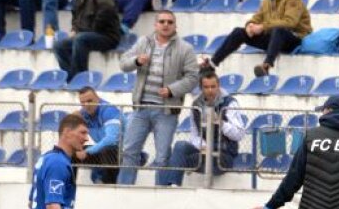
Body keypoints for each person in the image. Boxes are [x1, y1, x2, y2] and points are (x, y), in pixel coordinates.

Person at [116, 10, 200, 186]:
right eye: (162, 21)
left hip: (166, 111)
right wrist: (136, 61)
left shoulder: (185, 48)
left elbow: (193, 78)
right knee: (129, 151)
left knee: (162, 156)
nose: (166, 24)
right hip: (141, 109)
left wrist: (172, 90)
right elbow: (123, 62)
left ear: (175, 26)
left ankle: (160, 193)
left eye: (170, 22)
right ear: (155, 25)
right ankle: (123, 192)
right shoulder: (143, 42)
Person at [205, 0, 311, 77]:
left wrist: (262, 27)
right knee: (239, 32)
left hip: (296, 39)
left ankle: (266, 66)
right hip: (275, 40)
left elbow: (290, 23)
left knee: (279, 29)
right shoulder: (267, 1)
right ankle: (211, 65)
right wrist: (250, 26)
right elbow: (257, 18)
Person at [158, 69, 248, 187]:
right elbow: (195, 135)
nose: (210, 90)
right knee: (180, 146)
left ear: (218, 86)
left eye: (213, 87)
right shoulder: (196, 106)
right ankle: (172, 187)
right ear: (201, 88)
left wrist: (221, 123)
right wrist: (204, 146)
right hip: (204, 152)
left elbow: (239, 134)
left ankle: (170, 188)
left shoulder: (229, 103)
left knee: (176, 162)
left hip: (224, 155)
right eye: (206, 87)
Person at [53, 0, 120, 81]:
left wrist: (90, 29)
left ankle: (80, 79)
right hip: (87, 34)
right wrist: (74, 28)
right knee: (59, 45)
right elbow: (75, 14)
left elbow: (106, 10)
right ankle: (72, 79)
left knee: (80, 39)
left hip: (106, 36)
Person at [75, 86, 123, 185]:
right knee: (72, 152)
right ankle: (68, 188)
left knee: (108, 150)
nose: (87, 105)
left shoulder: (108, 110)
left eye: (90, 101)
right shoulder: (84, 113)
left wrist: (87, 152)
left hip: (122, 152)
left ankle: (109, 186)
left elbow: (111, 139)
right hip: (102, 151)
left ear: (98, 98)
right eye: (83, 103)